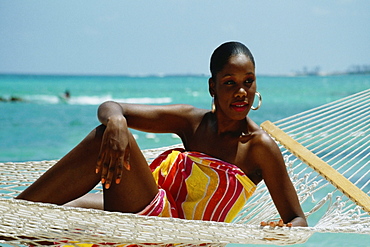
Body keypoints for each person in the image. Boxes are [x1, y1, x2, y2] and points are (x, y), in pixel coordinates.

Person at [16, 41, 307, 227]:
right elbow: (110, 106)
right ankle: (14, 221)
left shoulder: (259, 147)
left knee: (105, 143)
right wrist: (117, 121)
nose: (241, 91)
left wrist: (280, 232)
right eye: (229, 82)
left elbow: (297, 218)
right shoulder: (193, 122)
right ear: (212, 87)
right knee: (59, 217)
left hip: (176, 234)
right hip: (153, 213)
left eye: (248, 81)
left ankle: (10, 217)